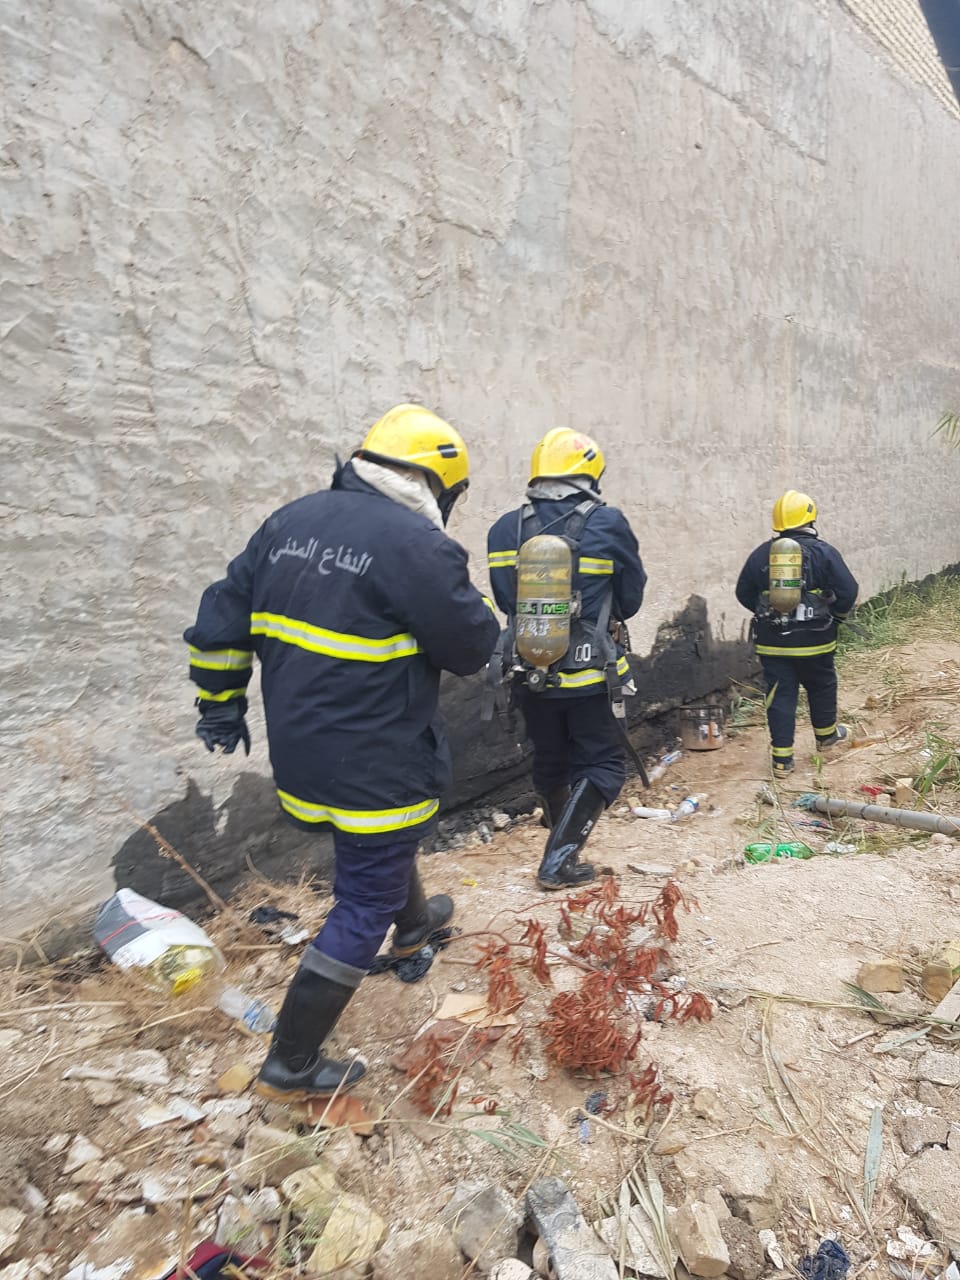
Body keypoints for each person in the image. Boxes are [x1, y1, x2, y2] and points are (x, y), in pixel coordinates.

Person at [184, 405, 500, 1101]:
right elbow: (472, 647)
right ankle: (291, 1064)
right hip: (378, 760)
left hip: (303, 757)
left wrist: (219, 705)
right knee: (365, 897)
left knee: (377, 852)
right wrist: (481, 607)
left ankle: (414, 928)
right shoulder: (418, 545)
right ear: (437, 483)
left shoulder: (289, 523)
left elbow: (220, 623)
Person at [486, 428, 647, 889]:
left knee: (551, 759)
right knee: (602, 764)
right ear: (590, 475)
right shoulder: (607, 523)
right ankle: (559, 860)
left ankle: (561, 840)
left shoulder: (504, 528)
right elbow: (631, 598)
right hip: (589, 674)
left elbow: (505, 600)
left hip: (528, 669)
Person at [735, 489, 859, 777]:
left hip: (773, 643)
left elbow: (743, 592)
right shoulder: (824, 552)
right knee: (821, 685)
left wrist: (767, 613)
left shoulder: (761, 554)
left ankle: (782, 760)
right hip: (816, 640)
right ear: (810, 518)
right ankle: (826, 737)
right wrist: (837, 617)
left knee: (780, 695)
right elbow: (848, 590)